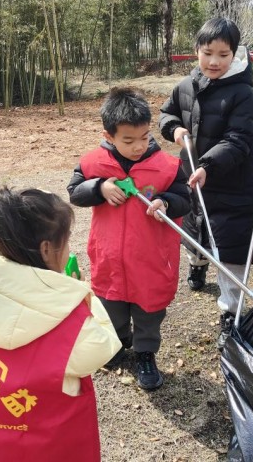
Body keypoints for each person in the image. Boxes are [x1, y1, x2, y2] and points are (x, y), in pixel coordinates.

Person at [0, 188, 120, 462]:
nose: (70, 248)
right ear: (47, 249)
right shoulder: (70, 323)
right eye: (67, 240)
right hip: (44, 448)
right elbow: (105, 345)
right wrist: (77, 291)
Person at [67, 87, 190, 390]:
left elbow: (185, 198)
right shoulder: (93, 163)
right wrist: (98, 188)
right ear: (108, 136)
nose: (138, 146)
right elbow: (75, 192)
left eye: (145, 137)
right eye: (128, 140)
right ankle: (118, 343)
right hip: (109, 256)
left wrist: (166, 202)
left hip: (151, 258)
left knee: (149, 309)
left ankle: (145, 353)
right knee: (112, 304)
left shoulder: (167, 166)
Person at [159, 17, 253, 350]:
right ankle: (197, 264)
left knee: (231, 248)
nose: (214, 61)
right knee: (195, 229)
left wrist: (208, 164)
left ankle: (230, 315)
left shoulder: (243, 94)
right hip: (193, 175)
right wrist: (173, 128)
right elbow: (167, 113)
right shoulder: (186, 85)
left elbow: (240, 139)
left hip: (233, 181)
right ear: (196, 52)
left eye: (223, 54)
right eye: (208, 53)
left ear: (235, 54)